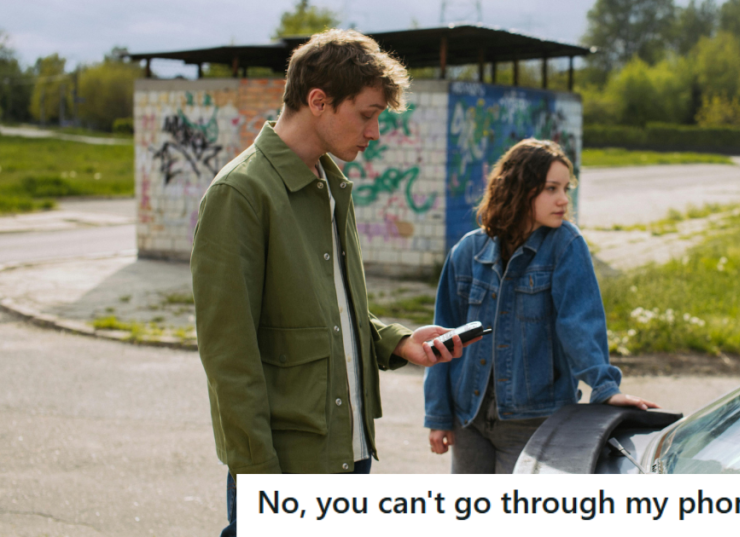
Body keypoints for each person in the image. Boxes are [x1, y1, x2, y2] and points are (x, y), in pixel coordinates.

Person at [190, 29, 473, 537]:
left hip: (349, 451)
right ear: (318, 101)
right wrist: (260, 481)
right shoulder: (241, 193)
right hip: (288, 468)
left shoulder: (330, 184)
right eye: (367, 114)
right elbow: (228, 356)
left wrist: (398, 341)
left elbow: (332, 311)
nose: (374, 132)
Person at [422, 139, 659, 474]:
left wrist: (606, 388)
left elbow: (580, 324)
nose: (564, 199)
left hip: (533, 421)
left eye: (566, 188)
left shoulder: (566, 245)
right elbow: (442, 339)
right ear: (519, 189)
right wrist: (438, 415)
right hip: (469, 418)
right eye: (551, 188)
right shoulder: (467, 252)